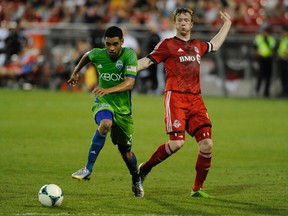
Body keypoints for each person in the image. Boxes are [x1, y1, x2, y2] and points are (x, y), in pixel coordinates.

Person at [137, 8, 231, 198]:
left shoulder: (197, 45)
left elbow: (215, 45)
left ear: (191, 24)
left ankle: (197, 189)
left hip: (196, 99)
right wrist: (127, 69)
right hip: (176, 98)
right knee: (177, 144)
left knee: (207, 144)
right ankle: (144, 169)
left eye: (186, 20)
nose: (183, 23)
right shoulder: (168, 44)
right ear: (175, 23)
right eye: (179, 20)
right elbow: (146, 62)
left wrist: (227, 24)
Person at [67, 26, 144, 197]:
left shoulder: (129, 55)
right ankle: (88, 168)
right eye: (108, 44)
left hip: (123, 110)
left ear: (122, 42)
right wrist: (75, 72)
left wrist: (108, 90)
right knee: (105, 124)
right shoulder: (98, 53)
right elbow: (87, 55)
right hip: (103, 103)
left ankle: (136, 178)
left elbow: (130, 83)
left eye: (115, 44)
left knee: (126, 153)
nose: (111, 48)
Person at [254, 26, 277, 97]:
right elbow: (255, 47)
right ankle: (257, 91)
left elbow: (273, 48)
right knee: (260, 75)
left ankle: (266, 92)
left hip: (268, 59)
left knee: (268, 76)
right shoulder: (259, 38)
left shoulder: (271, 39)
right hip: (261, 59)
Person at [277, 26, 288, 97]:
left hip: (287, 60)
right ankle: (284, 90)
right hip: (282, 60)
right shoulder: (282, 39)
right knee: (283, 76)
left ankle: (286, 91)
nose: (282, 33)